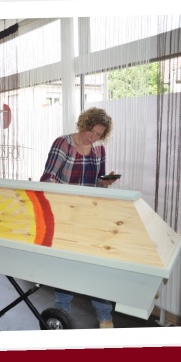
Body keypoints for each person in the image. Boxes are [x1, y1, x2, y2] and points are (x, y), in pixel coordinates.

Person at [40, 107, 118, 328]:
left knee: (95, 266)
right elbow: (47, 177)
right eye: (90, 131)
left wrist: (105, 182)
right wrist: (59, 188)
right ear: (83, 125)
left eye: (98, 135)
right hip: (65, 214)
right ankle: (61, 312)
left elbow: (98, 185)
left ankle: (104, 315)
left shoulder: (99, 149)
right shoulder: (63, 143)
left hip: (89, 214)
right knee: (66, 265)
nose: (92, 138)